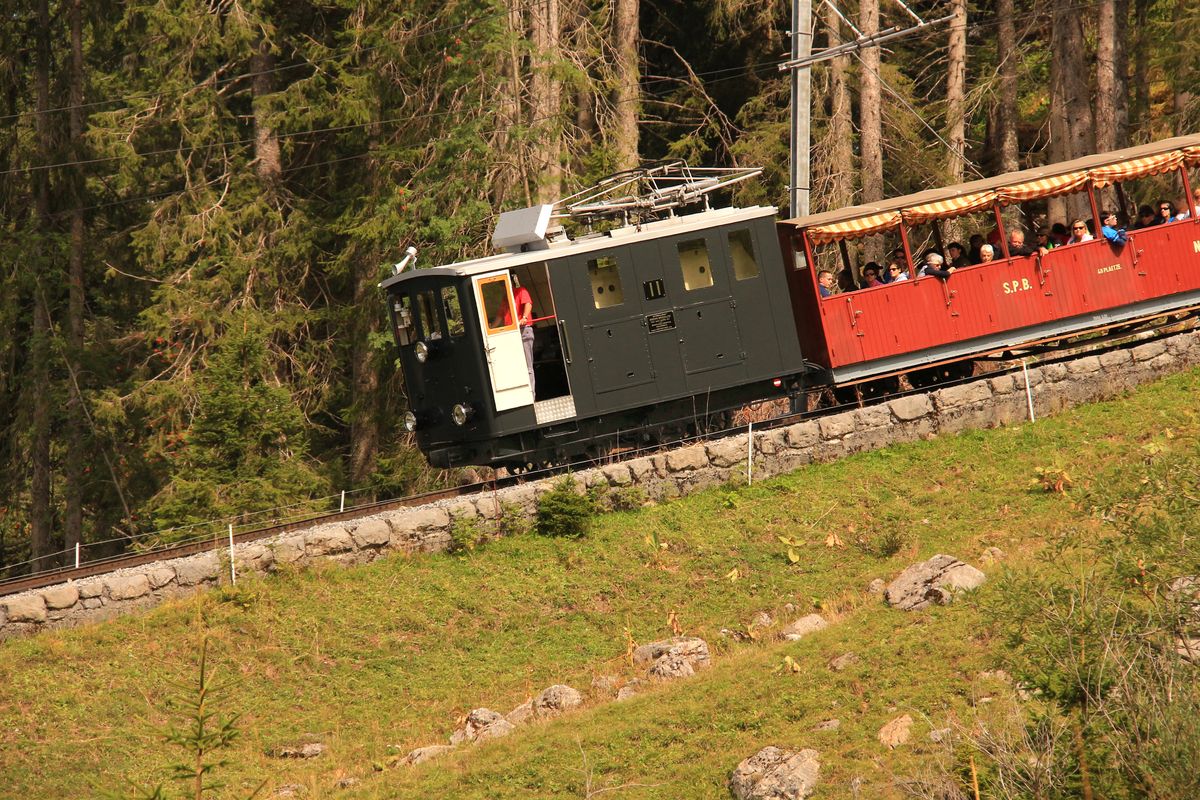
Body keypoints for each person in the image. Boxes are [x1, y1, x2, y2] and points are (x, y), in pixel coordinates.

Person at [511, 274, 536, 398]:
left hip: (524, 330)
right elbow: (500, 316)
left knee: (528, 367)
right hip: (511, 334)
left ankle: (531, 395)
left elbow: (528, 304)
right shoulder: (506, 298)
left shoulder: (521, 291)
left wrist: (524, 318)